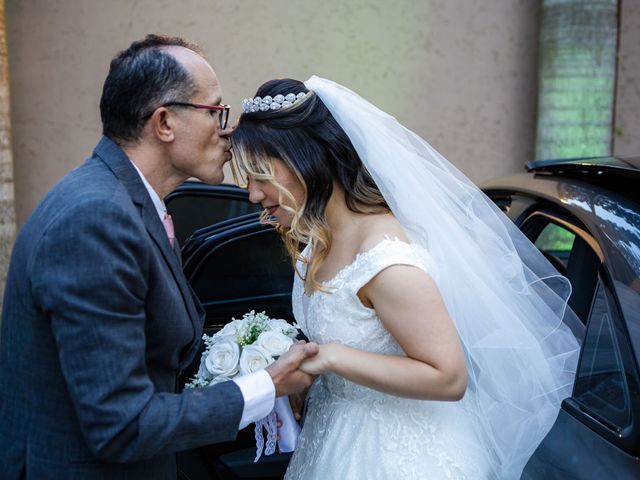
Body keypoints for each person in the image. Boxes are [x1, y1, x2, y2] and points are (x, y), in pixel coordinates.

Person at [230, 77, 582, 479]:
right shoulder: (318, 240)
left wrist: (329, 358)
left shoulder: (386, 258)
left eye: (260, 175)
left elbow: (448, 377)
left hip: (398, 456)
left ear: (305, 159)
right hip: (335, 435)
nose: (254, 194)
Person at [0, 35, 318, 479]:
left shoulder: (130, 203)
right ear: (164, 122)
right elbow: (121, 425)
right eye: (215, 112)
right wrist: (265, 386)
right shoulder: (95, 221)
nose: (228, 130)